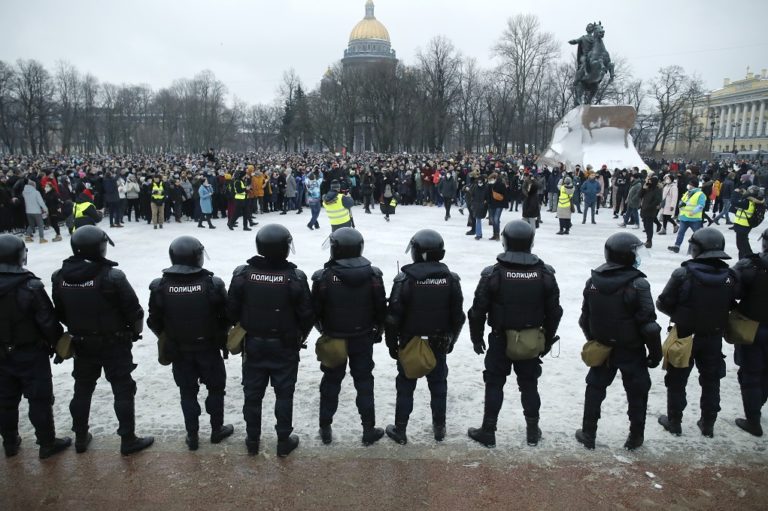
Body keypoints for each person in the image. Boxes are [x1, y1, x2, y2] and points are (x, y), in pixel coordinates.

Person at [52, 226, 153, 455]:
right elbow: (134, 311)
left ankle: (80, 436)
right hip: (113, 342)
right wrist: (134, 332)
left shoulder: (60, 276)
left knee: (83, 388)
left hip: (82, 342)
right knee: (123, 389)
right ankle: (128, 439)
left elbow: (59, 311)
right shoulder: (112, 276)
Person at [467, 221, 563, 447]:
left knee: (494, 384)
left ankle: (488, 431)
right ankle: (532, 430)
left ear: (505, 241)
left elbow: (477, 310)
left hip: (500, 338)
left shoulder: (493, 274)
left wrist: (476, 336)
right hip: (530, 340)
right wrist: (546, 340)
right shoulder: (545, 274)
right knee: (529, 384)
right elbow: (555, 312)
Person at [226, 225, 314, 456]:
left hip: (253, 344)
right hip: (284, 345)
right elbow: (307, 315)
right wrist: (298, 336)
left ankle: (252, 439)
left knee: (252, 394)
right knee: (284, 393)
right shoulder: (295, 277)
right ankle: (283, 439)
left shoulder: (243, 274)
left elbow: (231, 311)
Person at [575, 232, 662, 450]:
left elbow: (585, 318)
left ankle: (588, 433)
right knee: (637, 391)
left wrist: (594, 340)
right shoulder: (638, 284)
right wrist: (655, 352)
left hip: (603, 347)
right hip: (631, 349)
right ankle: (635, 436)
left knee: (595, 388)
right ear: (626, 256)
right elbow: (649, 325)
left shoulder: (592, 282)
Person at [147, 236, 233, 451]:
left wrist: (168, 336)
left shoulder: (160, 286)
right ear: (197, 257)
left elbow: (153, 320)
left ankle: (192, 435)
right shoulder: (213, 284)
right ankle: (216, 429)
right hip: (209, 349)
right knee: (215, 389)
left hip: (180, 350)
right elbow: (227, 315)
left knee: (187, 392)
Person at [384, 229, 465, 444]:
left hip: (410, 342)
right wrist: (451, 340)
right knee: (439, 385)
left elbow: (392, 318)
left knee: (406, 386)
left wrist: (392, 345)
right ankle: (440, 428)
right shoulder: (451, 279)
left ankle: (400, 430)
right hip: (438, 342)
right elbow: (459, 317)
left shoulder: (404, 279)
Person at [656, 228, 739, 438]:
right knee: (711, 379)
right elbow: (731, 303)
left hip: (685, 335)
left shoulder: (683, 273)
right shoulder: (729, 276)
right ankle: (708, 422)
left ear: (695, 248)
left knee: (677, 379)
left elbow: (663, 302)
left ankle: (674, 421)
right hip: (713, 336)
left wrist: (681, 315)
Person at [310, 228, 387, 445]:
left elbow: (314, 310)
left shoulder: (324, 277)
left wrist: (324, 331)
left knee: (331, 382)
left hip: (334, 338)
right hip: (362, 337)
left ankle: (325, 427)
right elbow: (381, 308)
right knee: (364, 382)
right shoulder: (373, 274)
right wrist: (378, 331)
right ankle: (368, 429)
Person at [0, 235, 72, 459]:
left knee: (5, 400)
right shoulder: (31, 286)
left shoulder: (30, 285)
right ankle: (47, 442)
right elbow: (48, 322)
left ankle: (10, 442)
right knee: (39, 399)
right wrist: (58, 344)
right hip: (30, 352)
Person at [731, 228, 768, 436]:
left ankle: (753, 419)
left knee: (751, 373)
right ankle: (758, 403)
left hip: (753, 326)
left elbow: (732, 290)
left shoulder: (750, 264)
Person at [668, 177, 705, 253]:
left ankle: (698, 248)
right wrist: (680, 205)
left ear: (693, 185)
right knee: (681, 233)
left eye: (690, 184)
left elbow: (701, 205)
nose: (688, 185)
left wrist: (693, 212)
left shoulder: (700, 194)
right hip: (684, 217)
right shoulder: (687, 192)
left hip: (694, 218)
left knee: (697, 235)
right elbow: (682, 201)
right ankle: (677, 246)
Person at [732, 185, 765, 260]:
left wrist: (735, 192)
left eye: (748, 190)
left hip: (742, 226)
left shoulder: (747, 202)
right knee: (743, 245)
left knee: (742, 246)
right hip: (745, 226)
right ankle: (743, 260)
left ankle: (751, 260)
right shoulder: (752, 200)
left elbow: (733, 201)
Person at [22, 179, 48, 244]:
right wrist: (46, 209)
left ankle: (27, 236)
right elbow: (41, 202)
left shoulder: (24, 192)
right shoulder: (36, 192)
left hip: (28, 211)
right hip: (36, 211)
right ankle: (41, 239)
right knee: (40, 225)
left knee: (31, 225)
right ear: (33, 186)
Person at [639, 175, 662, 248]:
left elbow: (657, 200)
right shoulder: (647, 189)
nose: (649, 183)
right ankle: (648, 240)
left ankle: (649, 241)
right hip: (644, 210)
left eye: (650, 182)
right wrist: (643, 188)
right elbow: (639, 195)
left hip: (650, 211)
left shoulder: (657, 190)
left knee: (649, 226)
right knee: (645, 226)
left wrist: (649, 207)